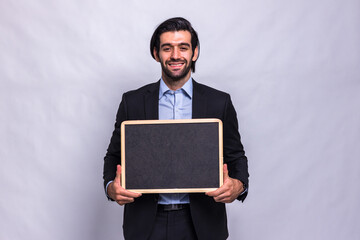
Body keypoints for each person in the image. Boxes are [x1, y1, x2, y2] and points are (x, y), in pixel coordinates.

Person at [103, 17, 249, 240]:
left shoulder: (219, 102)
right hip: (146, 224)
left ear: (195, 52)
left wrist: (237, 185)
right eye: (167, 48)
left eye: (183, 47)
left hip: (201, 223)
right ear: (156, 53)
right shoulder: (132, 102)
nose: (175, 55)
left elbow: (236, 157)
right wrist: (111, 188)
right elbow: (114, 156)